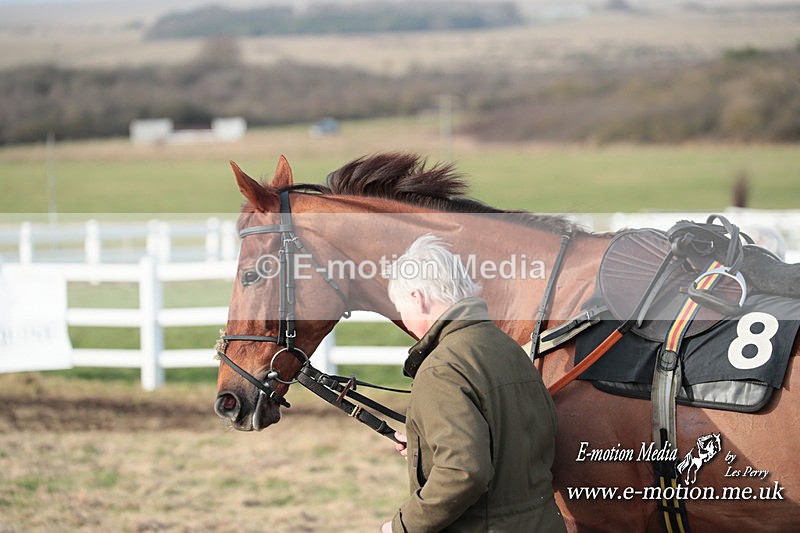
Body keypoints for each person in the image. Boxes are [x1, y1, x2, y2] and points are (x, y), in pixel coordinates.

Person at [381, 234, 566, 532]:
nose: (403, 318)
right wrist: (425, 444)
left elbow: (462, 471)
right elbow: (530, 434)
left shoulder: (441, 368)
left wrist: (402, 526)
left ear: (418, 298)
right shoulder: (507, 347)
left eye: (400, 309)